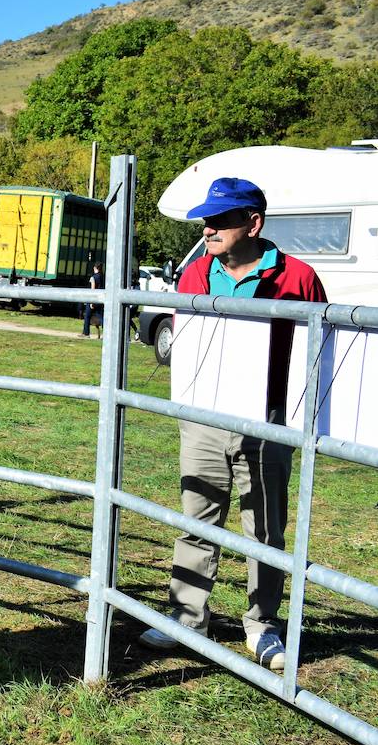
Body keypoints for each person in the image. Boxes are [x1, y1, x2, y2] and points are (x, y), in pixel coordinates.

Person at [138, 178, 327, 673]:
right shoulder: (196, 273)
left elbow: (317, 352)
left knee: (264, 526)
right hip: (204, 417)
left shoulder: (298, 277)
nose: (208, 227)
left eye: (220, 219)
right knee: (196, 516)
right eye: (206, 219)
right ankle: (187, 615)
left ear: (253, 223)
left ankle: (262, 625)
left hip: (267, 422)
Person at [82, 261, 104, 338]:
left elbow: (93, 290)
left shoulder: (93, 277)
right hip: (101, 299)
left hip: (94, 299)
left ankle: (86, 333)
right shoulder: (102, 276)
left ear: (95, 268)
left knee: (87, 315)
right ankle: (106, 333)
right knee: (101, 317)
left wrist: (92, 302)